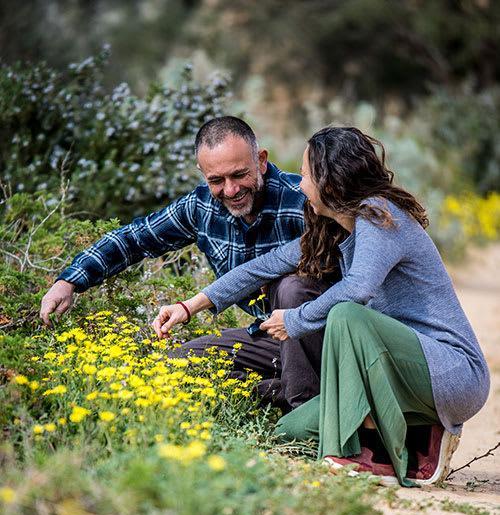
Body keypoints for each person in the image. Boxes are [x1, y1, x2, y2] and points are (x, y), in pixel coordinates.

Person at [154, 126, 490, 487]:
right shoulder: (335, 229)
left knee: (346, 313)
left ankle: (397, 437)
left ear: (329, 179)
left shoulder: (380, 215)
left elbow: (358, 288)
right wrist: (191, 305)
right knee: (290, 430)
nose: (299, 185)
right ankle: (414, 443)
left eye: (305, 174)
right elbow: (262, 267)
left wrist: (296, 320)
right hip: (392, 374)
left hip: (451, 373)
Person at [40, 116, 335, 409]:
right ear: (203, 174)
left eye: (239, 174)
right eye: (216, 180)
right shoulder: (200, 208)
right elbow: (134, 239)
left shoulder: (305, 199)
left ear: (260, 160)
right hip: (271, 336)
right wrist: (69, 281)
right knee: (177, 365)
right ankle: (285, 389)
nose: (230, 190)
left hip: (327, 338)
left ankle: (308, 415)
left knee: (293, 287)